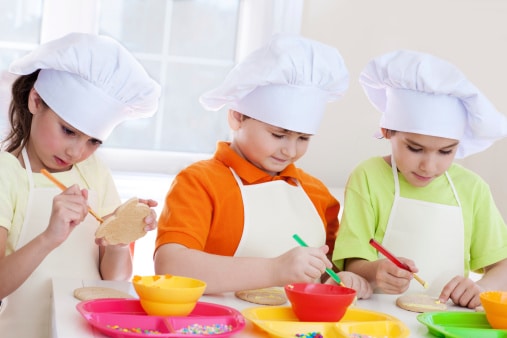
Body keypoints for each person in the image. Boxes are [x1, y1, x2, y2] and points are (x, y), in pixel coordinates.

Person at [154, 34, 372, 299]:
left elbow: (326, 270)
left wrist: (340, 278)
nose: (290, 150)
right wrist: (275, 269)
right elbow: (171, 266)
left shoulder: (315, 192)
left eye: (303, 138)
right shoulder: (200, 182)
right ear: (237, 117)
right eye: (278, 135)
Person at [0, 32, 161, 336]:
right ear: (36, 100)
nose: (77, 152)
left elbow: (113, 280)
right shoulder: (6, 173)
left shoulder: (94, 172)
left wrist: (119, 240)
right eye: (68, 131)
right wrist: (49, 237)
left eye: (93, 141)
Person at [332, 49, 507, 309]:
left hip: (446, 321)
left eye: (446, 152)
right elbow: (351, 264)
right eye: (415, 148)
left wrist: (480, 288)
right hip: (380, 318)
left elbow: (502, 265)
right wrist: (376, 270)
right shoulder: (368, 177)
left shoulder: (472, 188)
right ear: (387, 131)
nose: (429, 165)